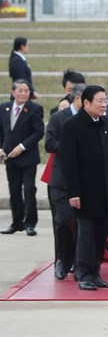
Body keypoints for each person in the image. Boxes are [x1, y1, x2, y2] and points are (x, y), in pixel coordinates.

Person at [59, 85, 108, 290]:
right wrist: (73, 192)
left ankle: (95, 272)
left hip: (104, 190)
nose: (104, 105)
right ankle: (83, 272)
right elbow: (68, 164)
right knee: (86, 232)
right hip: (83, 191)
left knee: (101, 232)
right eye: (100, 101)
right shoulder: (71, 127)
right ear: (86, 103)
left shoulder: (107, 124)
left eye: (105, 101)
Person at [43, 83, 86, 279]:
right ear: (77, 99)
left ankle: (80, 262)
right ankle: (62, 259)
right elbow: (49, 144)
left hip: (85, 180)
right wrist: (72, 148)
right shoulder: (58, 117)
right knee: (63, 220)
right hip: (61, 180)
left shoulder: (92, 119)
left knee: (82, 224)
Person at [0, 79, 45, 236]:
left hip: (28, 157)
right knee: (14, 191)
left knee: (29, 189)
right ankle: (16, 222)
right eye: (21, 90)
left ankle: (30, 223)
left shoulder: (35, 109)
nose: (24, 94)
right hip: (10, 157)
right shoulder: (4, 107)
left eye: (27, 91)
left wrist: (22, 147)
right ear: (13, 92)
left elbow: (39, 132)